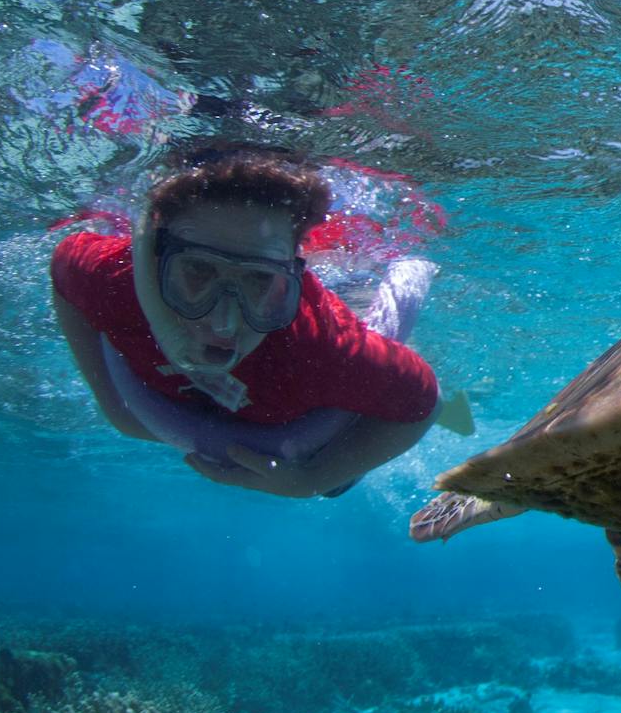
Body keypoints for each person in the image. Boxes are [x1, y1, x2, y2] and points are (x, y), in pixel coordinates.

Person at [51, 142, 450, 497]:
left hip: (317, 409)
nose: (224, 321)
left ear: (294, 275)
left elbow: (422, 403)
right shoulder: (113, 280)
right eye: (197, 272)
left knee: (337, 485)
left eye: (260, 279)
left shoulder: (318, 346)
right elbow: (65, 267)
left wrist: (314, 479)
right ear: (153, 262)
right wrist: (114, 406)